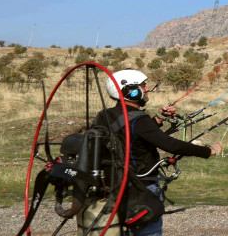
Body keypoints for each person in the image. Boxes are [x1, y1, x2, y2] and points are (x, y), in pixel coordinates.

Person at [92, 69, 221, 235]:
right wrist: (207, 151)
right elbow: (171, 145)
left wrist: (158, 119)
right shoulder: (139, 120)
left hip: (115, 186)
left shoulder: (105, 115)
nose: (147, 89)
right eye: (143, 86)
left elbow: (129, 135)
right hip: (141, 188)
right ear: (131, 91)